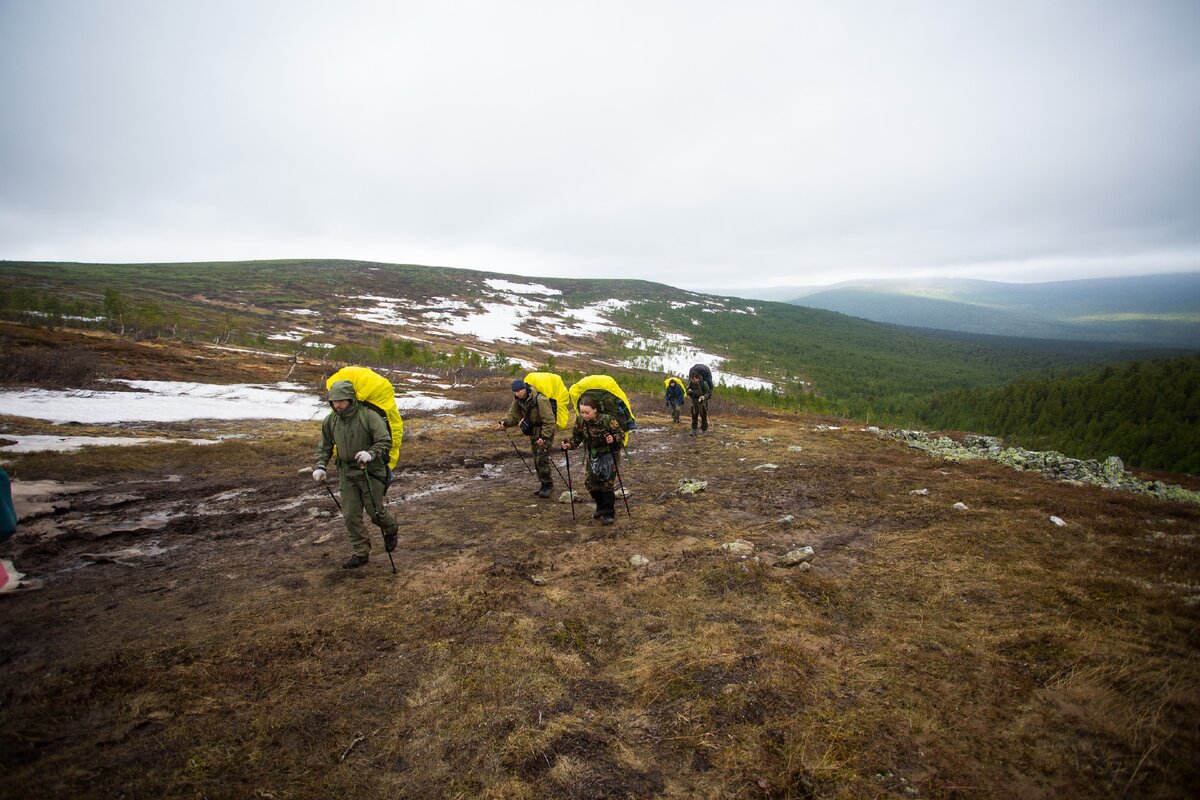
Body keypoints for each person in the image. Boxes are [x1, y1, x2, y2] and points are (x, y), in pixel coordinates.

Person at [313, 380, 399, 568]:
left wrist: (371, 453)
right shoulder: (331, 421)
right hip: (346, 473)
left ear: (351, 399)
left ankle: (391, 528)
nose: (337, 405)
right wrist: (321, 466)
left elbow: (385, 441)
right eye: (334, 401)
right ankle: (360, 553)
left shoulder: (369, 416)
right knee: (350, 514)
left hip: (371, 471)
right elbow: (325, 446)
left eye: (341, 401)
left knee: (375, 512)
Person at [561, 395, 624, 524]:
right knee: (591, 483)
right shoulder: (580, 421)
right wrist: (568, 445)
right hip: (593, 455)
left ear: (595, 410)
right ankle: (600, 506)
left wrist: (613, 439)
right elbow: (576, 438)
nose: (584, 415)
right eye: (582, 412)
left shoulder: (608, 420)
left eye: (587, 412)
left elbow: (621, 436)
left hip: (609, 455)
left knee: (606, 484)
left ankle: (608, 513)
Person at [498, 378, 555, 497]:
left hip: (544, 431)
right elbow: (514, 415)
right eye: (514, 392)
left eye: (518, 391)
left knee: (542, 458)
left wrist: (544, 437)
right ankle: (543, 484)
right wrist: (505, 423)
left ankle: (548, 485)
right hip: (533, 432)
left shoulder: (540, 399)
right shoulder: (518, 400)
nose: (516, 394)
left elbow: (549, 420)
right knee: (536, 457)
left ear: (524, 388)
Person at [687, 369, 713, 435]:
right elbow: (687, 389)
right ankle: (694, 430)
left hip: (702, 403)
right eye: (691, 379)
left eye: (693, 379)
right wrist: (688, 391)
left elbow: (708, 392)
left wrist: (704, 397)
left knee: (703, 416)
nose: (692, 381)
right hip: (694, 402)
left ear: (697, 378)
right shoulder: (691, 383)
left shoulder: (704, 383)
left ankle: (704, 430)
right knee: (694, 416)